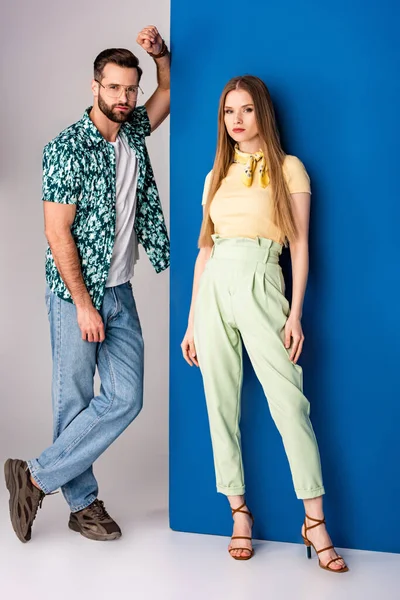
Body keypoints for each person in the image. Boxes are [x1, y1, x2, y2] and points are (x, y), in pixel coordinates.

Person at [4, 25, 170, 543]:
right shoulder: (65, 149)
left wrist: (161, 56)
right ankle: (82, 505)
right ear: (93, 86)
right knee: (73, 399)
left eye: (130, 89)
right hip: (77, 293)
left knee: (125, 396)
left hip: (120, 288)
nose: (123, 98)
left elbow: (168, 92)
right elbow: (57, 232)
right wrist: (82, 304)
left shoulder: (135, 130)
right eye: (114, 87)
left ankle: (32, 475)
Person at [181, 75, 348, 572]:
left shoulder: (290, 170)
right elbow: (203, 251)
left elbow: (299, 245)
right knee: (219, 405)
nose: (236, 119)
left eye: (246, 109)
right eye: (229, 111)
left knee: (290, 405)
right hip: (214, 289)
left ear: (262, 114)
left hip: (262, 280)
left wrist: (294, 313)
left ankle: (314, 522)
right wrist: (191, 322)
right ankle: (239, 513)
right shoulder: (216, 175)